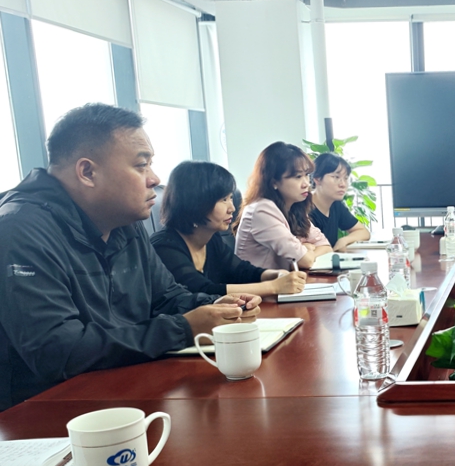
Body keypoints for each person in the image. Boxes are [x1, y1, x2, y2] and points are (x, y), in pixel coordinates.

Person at [0, 103, 261, 410]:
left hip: (129, 390)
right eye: (141, 165)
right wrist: (183, 328)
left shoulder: (123, 221)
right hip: (49, 414)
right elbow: (57, 351)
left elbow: (166, 297)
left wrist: (215, 306)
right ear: (87, 172)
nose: (154, 178)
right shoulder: (20, 229)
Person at [151, 161, 308, 297]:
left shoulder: (211, 238)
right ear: (196, 204)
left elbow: (241, 271)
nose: (232, 208)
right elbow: (201, 290)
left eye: (231, 198)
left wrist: (276, 275)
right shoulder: (164, 247)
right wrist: (273, 287)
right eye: (223, 200)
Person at [235, 142, 333, 270]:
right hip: (260, 282)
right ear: (274, 182)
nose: (306, 184)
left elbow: (326, 247)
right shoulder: (261, 211)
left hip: (285, 280)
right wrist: (307, 249)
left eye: (307, 175)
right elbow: (305, 261)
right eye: (298, 177)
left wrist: (306, 251)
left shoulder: (293, 207)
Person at [309, 153, 371, 252]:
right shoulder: (303, 209)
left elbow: (363, 232)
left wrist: (344, 240)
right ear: (317, 179)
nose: (343, 184)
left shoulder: (335, 204)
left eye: (345, 178)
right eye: (336, 177)